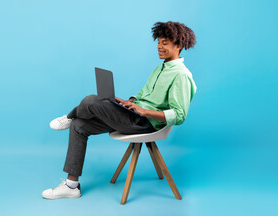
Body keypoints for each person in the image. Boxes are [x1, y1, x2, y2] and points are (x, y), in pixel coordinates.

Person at [42, 21, 197, 199]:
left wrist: (144, 112)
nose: (159, 47)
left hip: (145, 124)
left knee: (91, 99)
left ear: (178, 45)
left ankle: (69, 116)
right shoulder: (159, 69)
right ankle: (71, 186)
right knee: (79, 125)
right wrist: (129, 102)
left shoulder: (181, 75)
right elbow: (144, 98)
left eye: (165, 43)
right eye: (159, 42)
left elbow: (179, 115)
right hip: (133, 116)